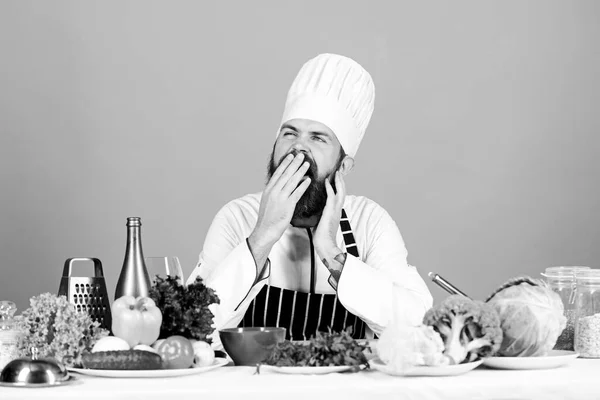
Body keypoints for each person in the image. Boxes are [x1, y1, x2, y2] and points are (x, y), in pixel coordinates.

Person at [187, 53, 433, 348]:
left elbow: (420, 330)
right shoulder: (237, 217)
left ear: (343, 167)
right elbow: (193, 330)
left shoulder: (369, 221)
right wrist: (261, 238)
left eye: (318, 138)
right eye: (290, 133)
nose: (299, 147)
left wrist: (332, 253)